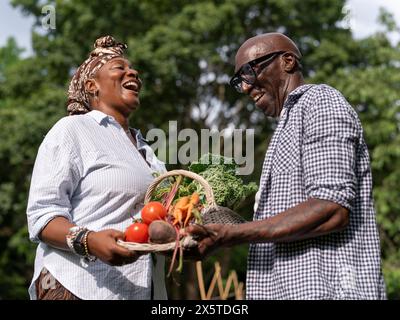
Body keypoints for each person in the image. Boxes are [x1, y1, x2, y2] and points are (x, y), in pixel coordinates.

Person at [185, 32, 386, 300]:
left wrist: (233, 234)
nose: (245, 87)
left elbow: (331, 208)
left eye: (248, 72)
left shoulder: (320, 102)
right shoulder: (285, 127)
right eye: (238, 81)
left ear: (287, 61)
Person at [26, 35, 167, 300]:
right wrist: (89, 241)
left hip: (138, 292)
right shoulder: (72, 130)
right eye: (119, 68)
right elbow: (42, 216)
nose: (132, 72)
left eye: (132, 68)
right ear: (92, 86)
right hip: (78, 286)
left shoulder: (146, 151)